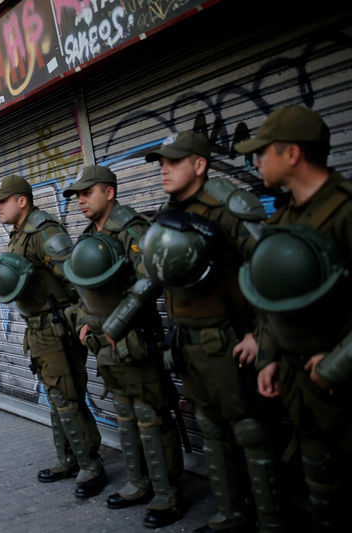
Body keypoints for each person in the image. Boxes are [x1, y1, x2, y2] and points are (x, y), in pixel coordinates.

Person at [103, 131, 284, 532]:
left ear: (199, 165)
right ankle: (229, 514)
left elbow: (273, 270)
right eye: (160, 163)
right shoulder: (171, 210)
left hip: (230, 341)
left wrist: (261, 335)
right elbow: (150, 274)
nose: (163, 170)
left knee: (250, 431)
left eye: (173, 162)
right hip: (188, 342)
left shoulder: (229, 205)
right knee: (211, 430)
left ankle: (271, 522)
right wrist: (116, 324)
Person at [235, 105, 352, 531]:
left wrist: (338, 365)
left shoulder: (344, 211)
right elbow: (271, 302)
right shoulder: (284, 219)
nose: (256, 161)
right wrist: (268, 356)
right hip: (303, 384)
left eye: (263, 151)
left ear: (293, 154)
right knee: (322, 491)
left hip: (341, 382)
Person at [62, 165, 184, 527]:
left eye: (88, 193)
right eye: (77, 195)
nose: (81, 200)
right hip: (104, 344)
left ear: (109, 193)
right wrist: (82, 321)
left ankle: (167, 494)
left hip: (136, 341)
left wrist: (117, 324)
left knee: (151, 415)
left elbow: (151, 279)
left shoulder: (132, 228)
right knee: (125, 414)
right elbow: (81, 285)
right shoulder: (88, 234)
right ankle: (138, 482)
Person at [0, 175, 107, 500]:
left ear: (21, 201)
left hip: (56, 328)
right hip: (38, 330)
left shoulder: (43, 232)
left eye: (2, 201)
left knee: (67, 397)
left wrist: (83, 318)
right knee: (56, 397)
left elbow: (77, 275)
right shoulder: (20, 235)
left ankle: (90, 466)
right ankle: (68, 460)